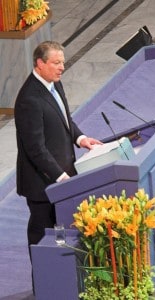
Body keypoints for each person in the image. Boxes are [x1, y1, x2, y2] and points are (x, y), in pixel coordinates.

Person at [14, 41, 102, 253]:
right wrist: (61, 177)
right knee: (43, 239)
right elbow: (35, 148)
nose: (62, 67)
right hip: (42, 185)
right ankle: (43, 283)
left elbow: (64, 119)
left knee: (62, 234)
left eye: (63, 62)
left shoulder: (54, 83)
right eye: (56, 63)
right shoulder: (29, 99)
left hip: (61, 178)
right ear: (40, 64)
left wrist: (80, 139)